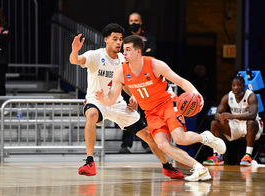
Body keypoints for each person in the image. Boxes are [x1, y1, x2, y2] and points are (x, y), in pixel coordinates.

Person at [95, 34, 227, 181]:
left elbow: (181, 81)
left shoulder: (155, 65)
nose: (123, 53)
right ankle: (199, 168)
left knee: (180, 138)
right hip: (150, 112)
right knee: (162, 145)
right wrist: (103, 99)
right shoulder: (121, 72)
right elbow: (111, 99)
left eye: (127, 49)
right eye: (124, 50)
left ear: (138, 51)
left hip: (168, 104)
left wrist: (195, 93)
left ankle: (205, 138)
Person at [69, 23, 184, 179]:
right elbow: (75, 61)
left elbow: (128, 83)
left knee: (149, 137)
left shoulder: (125, 59)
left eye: (120, 39)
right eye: (114, 39)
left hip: (118, 104)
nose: (118, 42)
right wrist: (75, 51)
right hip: (97, 101)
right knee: (91, 115)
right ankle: (90, 162)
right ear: (106, 40)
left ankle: (166, 166)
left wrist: (133, 96)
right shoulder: (96, 55)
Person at [203, 74, 263, 166]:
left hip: (253, 127)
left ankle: (248, 156)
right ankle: (217, 156)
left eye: (239, 85)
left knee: (251, 122)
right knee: (214, 123)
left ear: (244, 86)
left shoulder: (251, 96)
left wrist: (233, 116)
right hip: (236, 125)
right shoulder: (227, 96)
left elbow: (253, 115)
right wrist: (221, 118)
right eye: (234, 85)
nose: (236, 88)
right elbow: (216, 114)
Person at [119, 12, 157, 154]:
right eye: (131, 20)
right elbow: (124, 58)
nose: (133, 23)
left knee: (146, 113)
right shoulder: (125, 39)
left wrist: (137, 57)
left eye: (136, 20)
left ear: (141, 22)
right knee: (129, 111)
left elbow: (151, 54)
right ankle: (125, 145)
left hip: (146, 81)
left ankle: (147, 144)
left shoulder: (150, 37)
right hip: (129, 80)